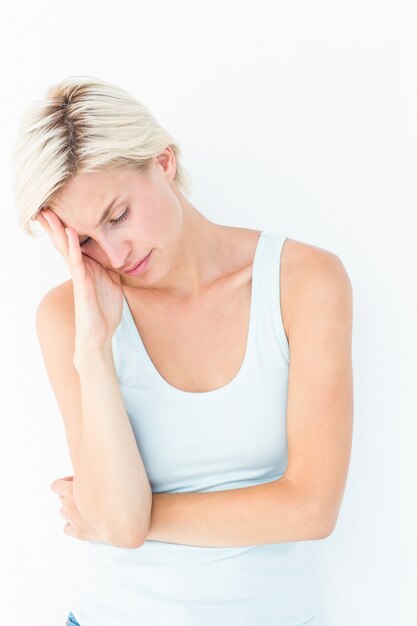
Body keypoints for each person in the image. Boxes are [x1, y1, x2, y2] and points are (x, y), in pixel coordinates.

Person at [12, 75, 353, 626]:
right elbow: (117, 524)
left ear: (162, 162)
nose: (114, 254)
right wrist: (94, 347)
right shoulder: (68, 316)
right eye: (85, 241)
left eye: (117, 215)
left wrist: (129, 516)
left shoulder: (304, 281)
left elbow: (312, 507)